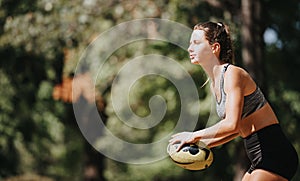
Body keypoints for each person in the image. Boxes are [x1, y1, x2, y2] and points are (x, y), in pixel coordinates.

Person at [169, 22, 298, 181]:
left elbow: (231, 124)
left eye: (196, 43)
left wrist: (193, 136)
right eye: (190, 44)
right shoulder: (214, 84)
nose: (189, 49)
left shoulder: (233, 74)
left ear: (214, 48)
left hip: (274, 152)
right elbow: (235, 130)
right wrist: (202, 144)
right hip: (257, 155)